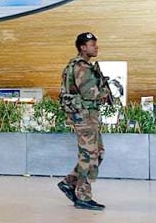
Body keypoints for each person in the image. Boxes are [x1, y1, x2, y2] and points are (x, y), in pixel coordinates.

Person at [57, 32, 111, 211]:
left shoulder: (84, 66)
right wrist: (105, 92)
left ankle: (69, 182)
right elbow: (90, 93)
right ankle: (83, 196)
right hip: (84, 116)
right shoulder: (82, 67)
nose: (96, 47)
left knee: (98, 153)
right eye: (92, 44)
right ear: (82, 47)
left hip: (88, 116)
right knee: (89, 156)